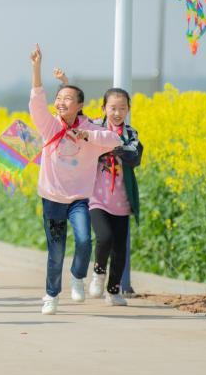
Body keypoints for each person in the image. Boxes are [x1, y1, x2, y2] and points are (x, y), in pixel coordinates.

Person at [29, 45, 121, 315]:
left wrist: (88, 136)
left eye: (68, 98)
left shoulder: (90, 129)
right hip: (52, 200)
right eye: (59, 97)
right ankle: (51, 296)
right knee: (56, 251)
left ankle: (78, 277)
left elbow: (114, 139)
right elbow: (37, 102)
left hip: (79, 200)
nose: (61, 102)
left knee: (83, 240)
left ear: (80, 106)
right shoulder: (50, 126)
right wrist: (36, 68)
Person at [88, 88, 142, 306]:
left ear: (128, 109)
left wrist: (118, 147)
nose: (117, 113)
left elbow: (135, 156)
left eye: (122, 108)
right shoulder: (95, 128)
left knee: (120, 249)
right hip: (97, 198)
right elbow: (81, 138)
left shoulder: (131, 133)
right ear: (103, 108)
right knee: (104, 237)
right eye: (113, 108)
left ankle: (113, 291)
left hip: (122, 200)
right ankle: (98, 273)